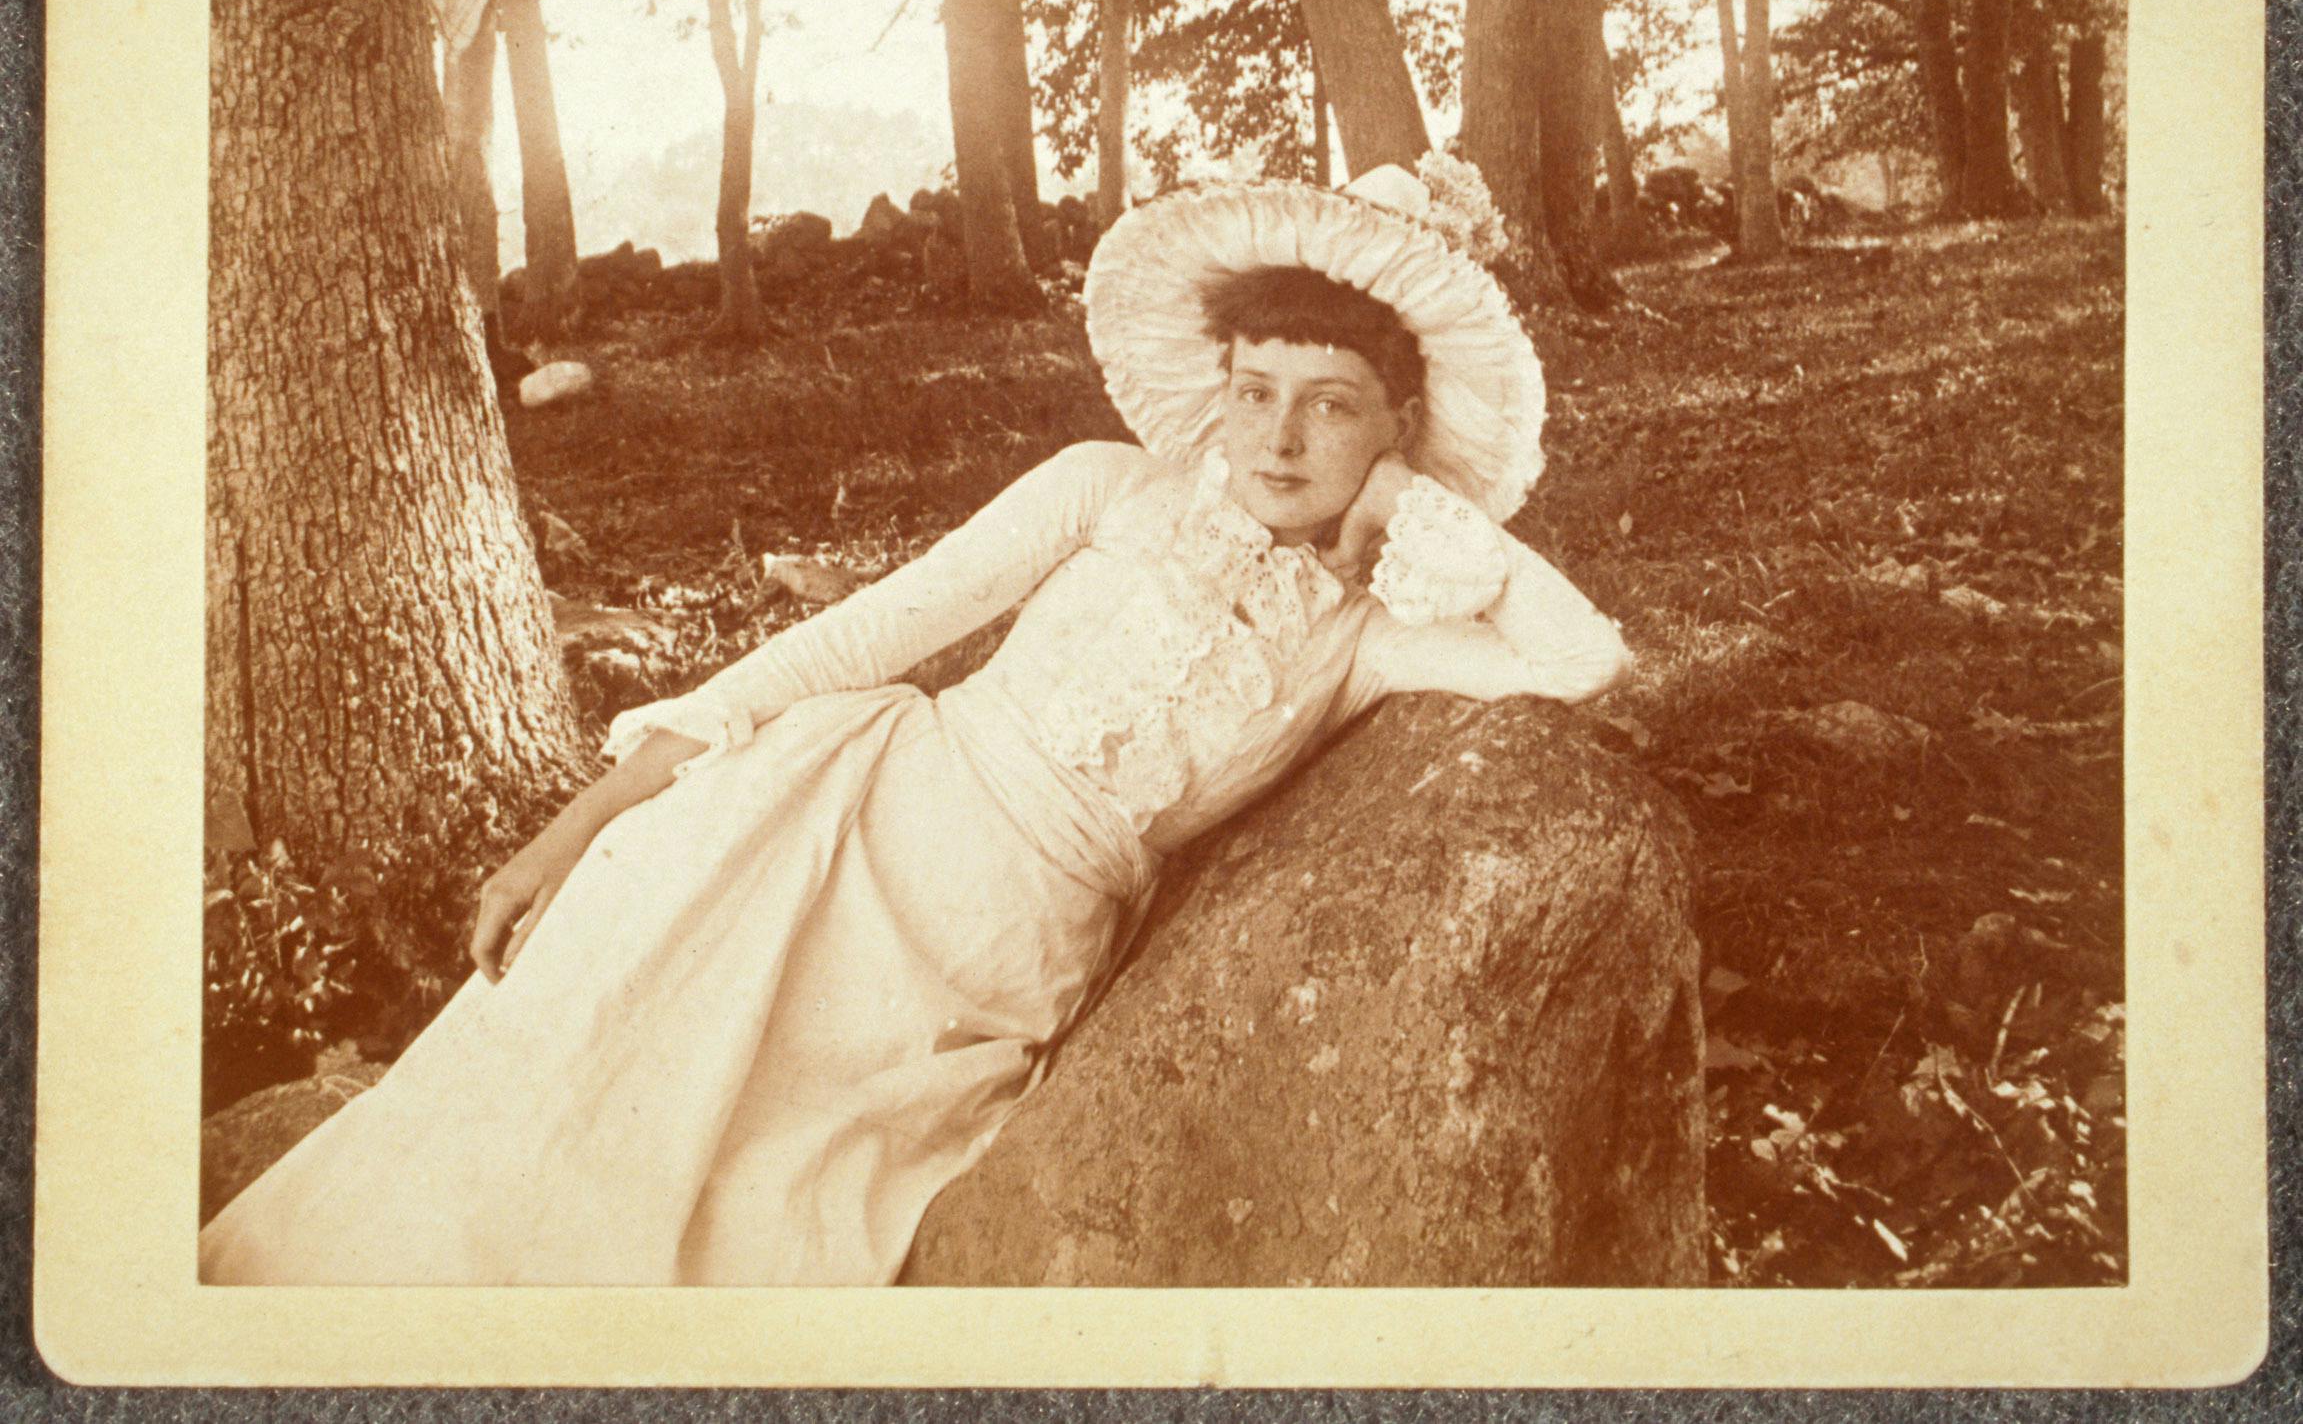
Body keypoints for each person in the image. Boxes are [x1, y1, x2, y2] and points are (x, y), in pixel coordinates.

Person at [199, 157, 1631, 1287]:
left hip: (999, 962)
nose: (1280, 438)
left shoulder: (1365, 636)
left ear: (1399, 421)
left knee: (762, 1224)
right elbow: (869, 626)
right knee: (571, 1118)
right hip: (838, 834)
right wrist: (569, 830)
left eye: (1333, 407)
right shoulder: (1104, 487)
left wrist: (1410, 519)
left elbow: (1577, 657)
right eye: (1256, 391)